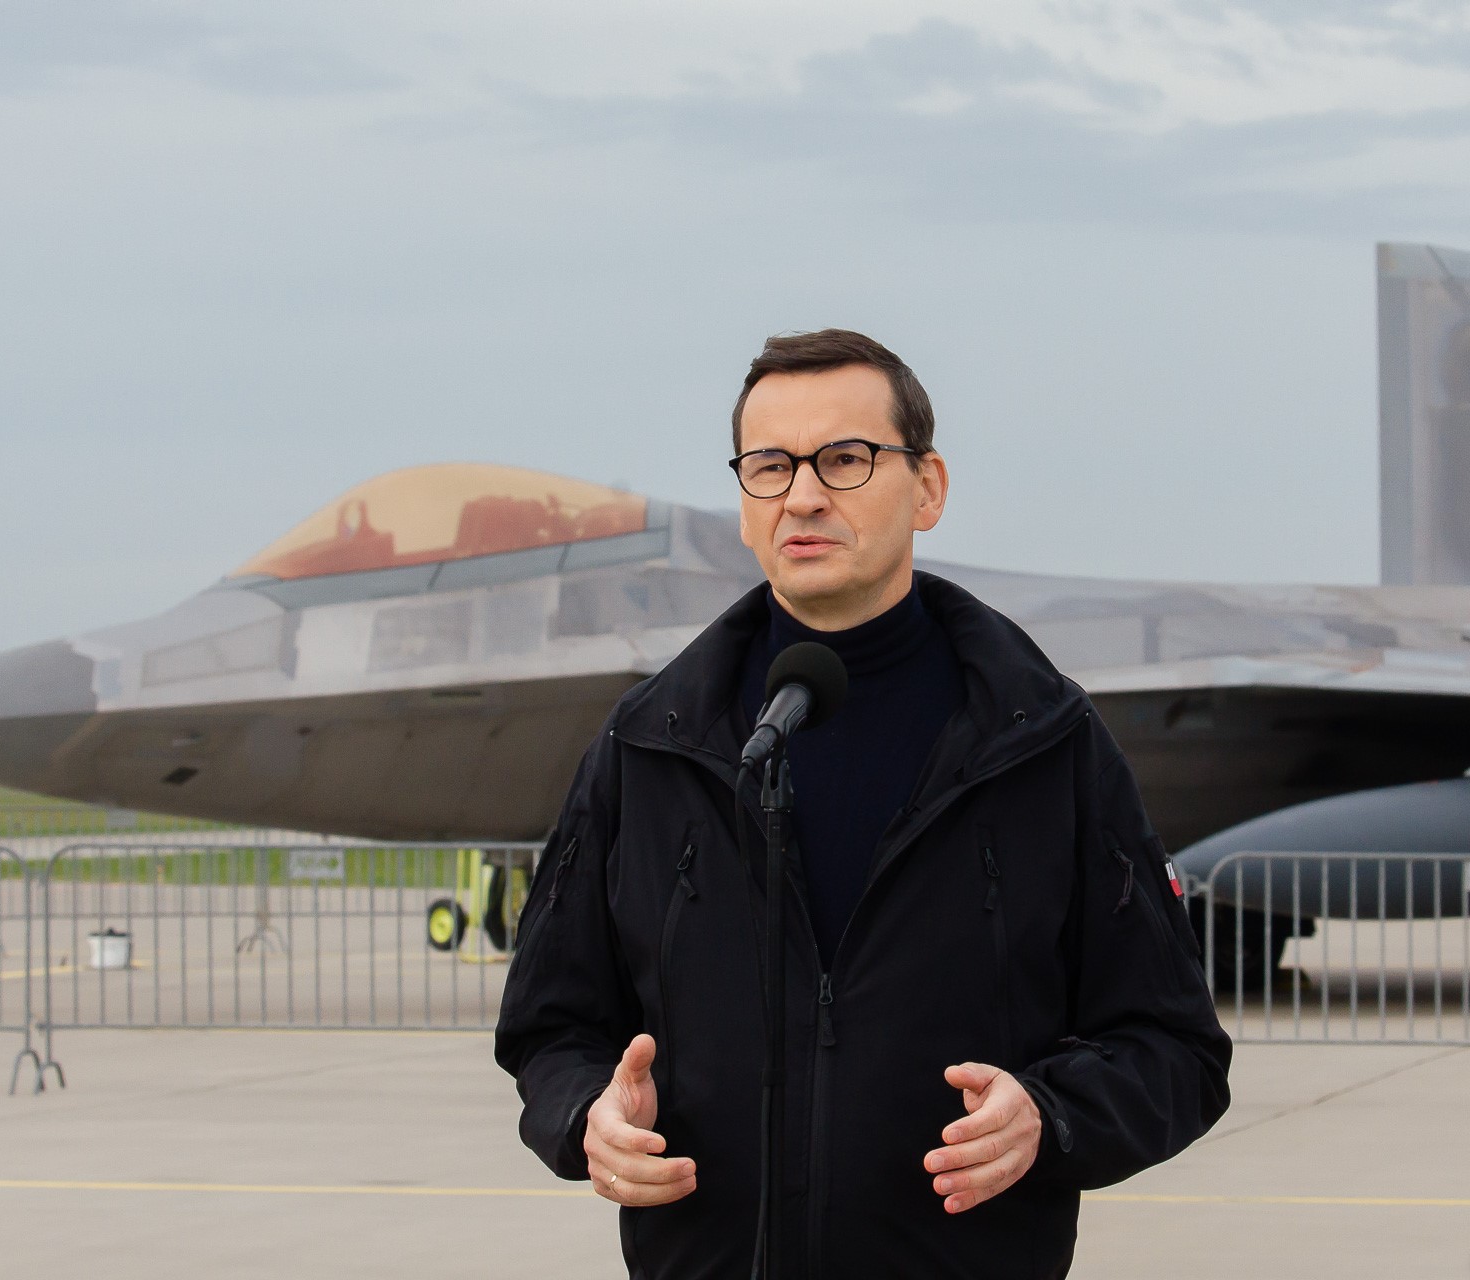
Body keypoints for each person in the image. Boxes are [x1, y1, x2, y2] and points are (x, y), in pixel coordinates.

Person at [495, 330, 1231, 1279]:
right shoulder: (649, 747)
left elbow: (1173, 1049)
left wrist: (1049, 1117)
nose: (803, 495)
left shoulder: (1043, 743)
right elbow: (550, 1028)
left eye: (845, 459)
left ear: (928, 488)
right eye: (771, 466)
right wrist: (586, 1115)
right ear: (746, 502)